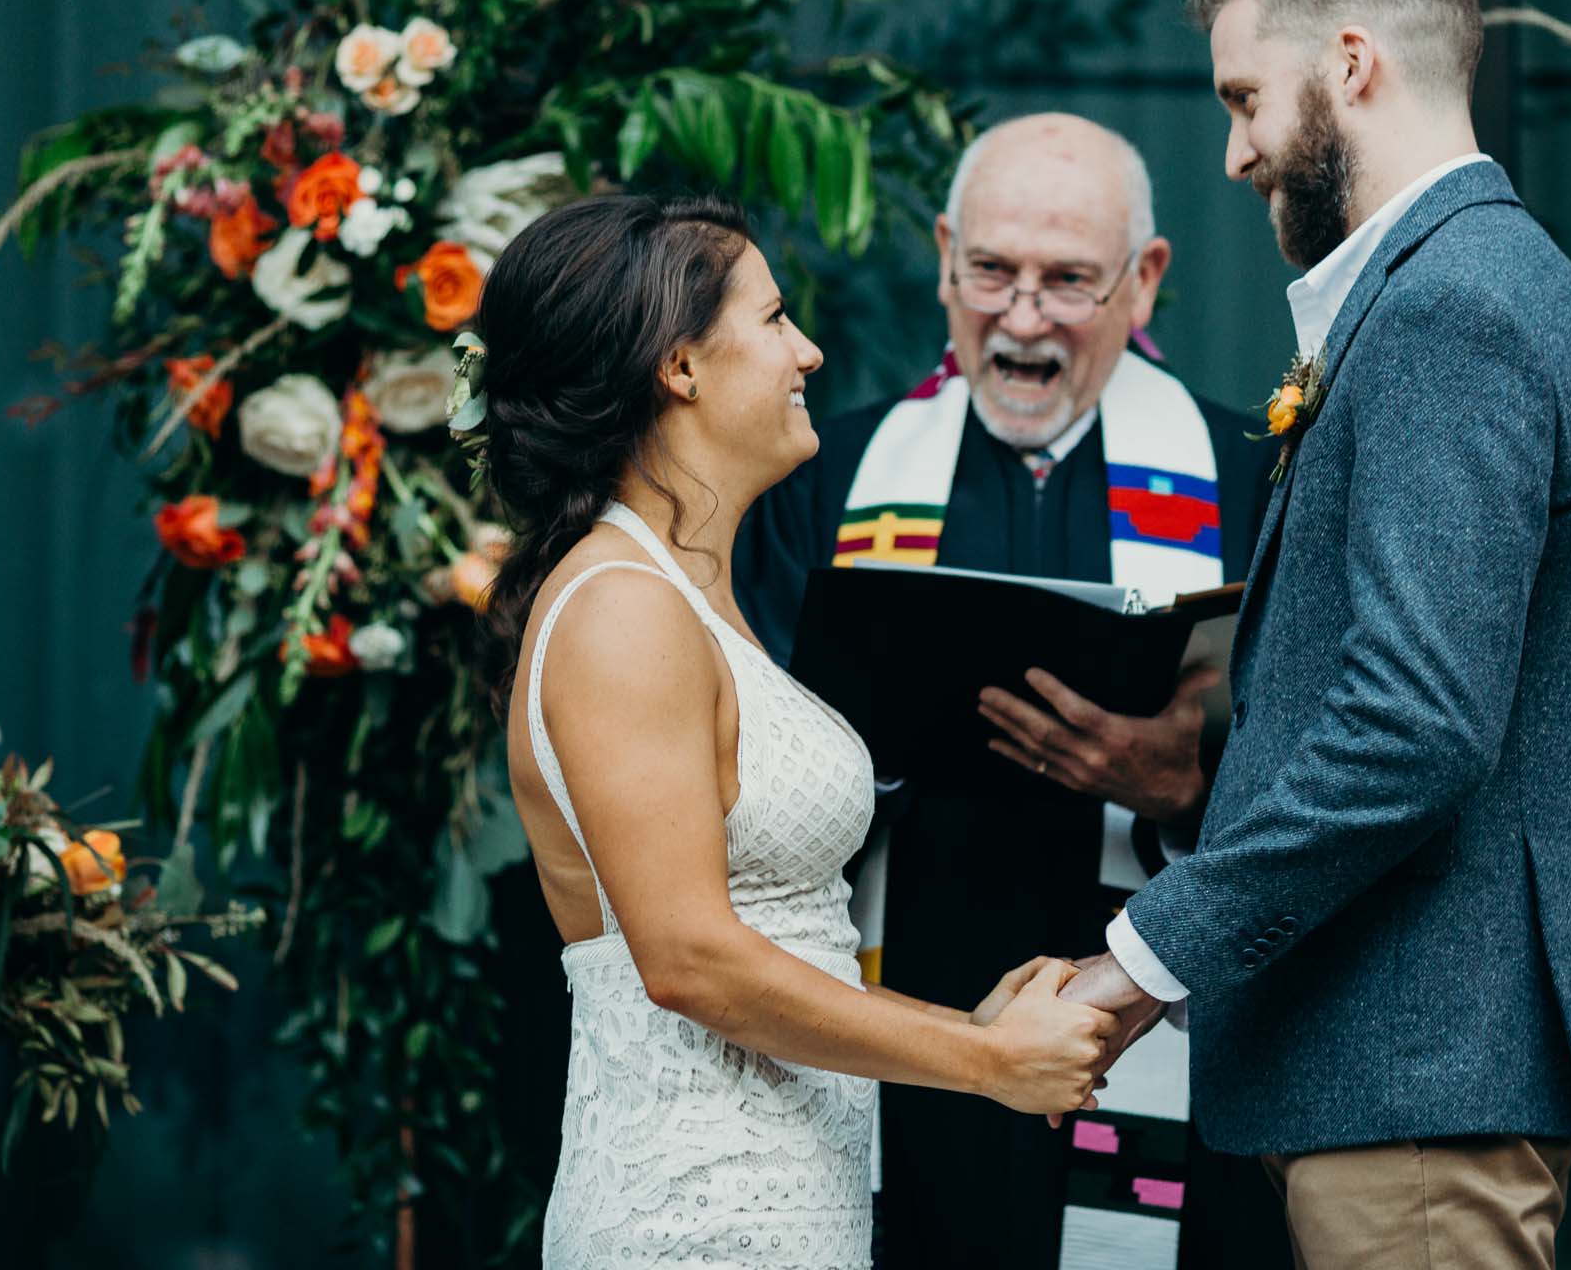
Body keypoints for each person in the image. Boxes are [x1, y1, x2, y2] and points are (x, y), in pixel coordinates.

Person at [1060, 0, 1571, 1269]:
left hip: (1420, 1064)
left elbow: (1417, 725)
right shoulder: (1490, 281)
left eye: (1245, 97)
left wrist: (1144, 958)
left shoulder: (1452, 309)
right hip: (1415, 1064)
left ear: (1353, 60)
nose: (1235, 150)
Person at [477, 194, 1117, 1269]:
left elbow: (782, 936)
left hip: (781, 1202)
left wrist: (974, 1020)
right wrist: (984, 1057)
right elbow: (685, 956)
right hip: (696, 1218)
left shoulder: (685, 590)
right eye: (774, 319)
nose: (809, 350)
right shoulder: (621, 604)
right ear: (679, 365)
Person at [736, 114, 1289, 1267]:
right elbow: (749, 743)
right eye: (990, 270)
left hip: (1153, 996)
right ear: (943, 253)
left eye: (1068, 281)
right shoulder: (822, 477)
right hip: (915, 1003)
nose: (1022, 318)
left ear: (1145, 280)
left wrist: (1189, 777)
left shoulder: (1251, 475)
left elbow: (1326, 773)